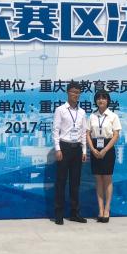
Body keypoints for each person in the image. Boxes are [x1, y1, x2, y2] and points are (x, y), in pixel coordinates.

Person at [52, 82, 88, 225]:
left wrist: (84, 150)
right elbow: (55, 130)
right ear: (68, 92)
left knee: (75, 182)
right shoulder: (60, 110)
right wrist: (57, 149)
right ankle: (59, 215)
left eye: (78, 92)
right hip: (64, 147)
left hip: (77, 149)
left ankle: (75, 213)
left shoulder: (82, 112)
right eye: (73, 91)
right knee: (61, 182)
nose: (75, 94)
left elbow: (83, 132)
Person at [86, 89, 121, 223]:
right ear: (96, 100)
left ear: (108, 101)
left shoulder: (113, 116)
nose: (101, 100)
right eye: (99, 98)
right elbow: (87, 134)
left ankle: (107, 209)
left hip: (108, 148)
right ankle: (100, 210)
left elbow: (116, 135)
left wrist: (105, 149)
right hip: (95, 147)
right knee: (98, 180)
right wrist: (92, 149)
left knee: (107, 179)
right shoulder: (92, 116)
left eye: (104, 98)